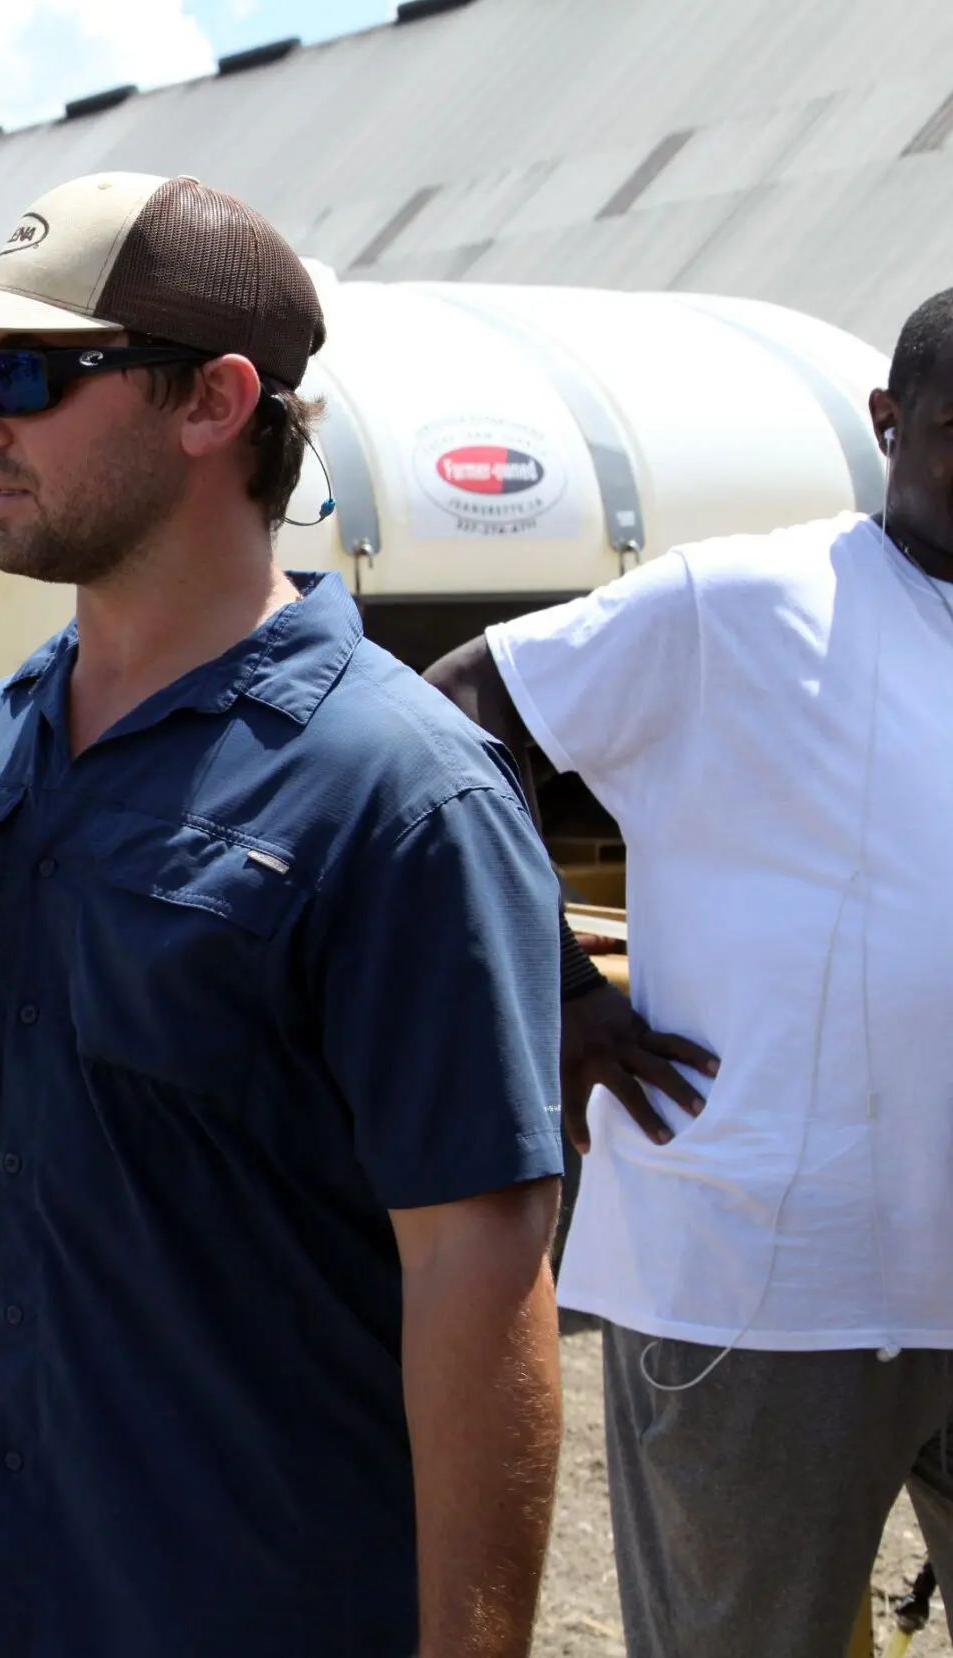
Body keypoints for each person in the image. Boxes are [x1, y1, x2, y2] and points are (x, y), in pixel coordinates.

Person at [0, 172, 566, 1658]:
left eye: (19, 375)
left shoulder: (395, 792)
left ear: (213, 401)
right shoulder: (2, 736)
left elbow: (476, 1269)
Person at [424, 286, 953, 1658]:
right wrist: (555, 984)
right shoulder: (743, 601)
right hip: (767, 1297)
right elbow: (445, 728)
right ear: (887, 423)